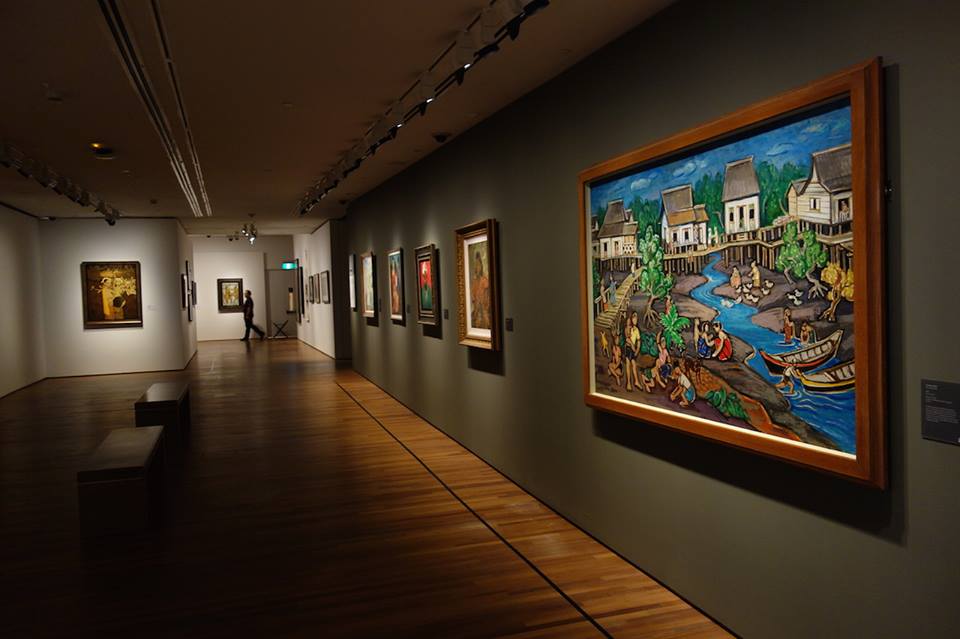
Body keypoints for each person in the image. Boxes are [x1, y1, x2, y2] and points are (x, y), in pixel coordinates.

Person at [624, 311, 641, 391]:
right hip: (628, 348)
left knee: (634, 365)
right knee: (628, 364)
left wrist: (637, 349)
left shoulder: (636, 330)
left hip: (633, 350)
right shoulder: (628, 328)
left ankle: (636, 381)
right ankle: (628, 383)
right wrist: (632, 345)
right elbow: (627, 339)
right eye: (634, 318)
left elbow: (639, 340)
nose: (635, 320)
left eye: (636, 318)